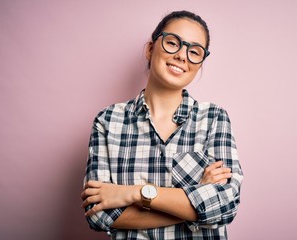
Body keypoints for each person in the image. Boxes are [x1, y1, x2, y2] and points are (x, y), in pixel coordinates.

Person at [81, 10, 243, 239]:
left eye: (194, 51)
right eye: (172, 43)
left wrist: (134, 194)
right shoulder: (107, 121)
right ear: (150, 49)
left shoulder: (214, 118)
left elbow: (225, 206)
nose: (182, 56)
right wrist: (195, 203)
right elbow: (99, 214)